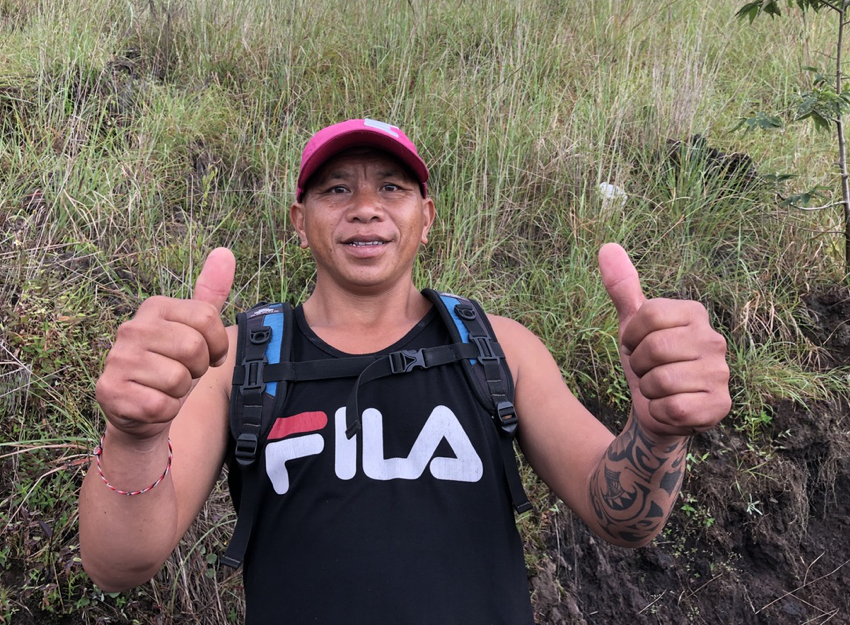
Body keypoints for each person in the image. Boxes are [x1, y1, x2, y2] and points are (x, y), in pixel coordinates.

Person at [79, 119, 731, 623]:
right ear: (300, 222)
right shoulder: (235, 360)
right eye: (337, 188)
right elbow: (118, 565)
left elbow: (623, 519)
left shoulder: (501, 347)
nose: (366, 206)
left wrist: (656, 433)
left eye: (392, 187)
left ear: (426, 217)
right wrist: (133, 437)